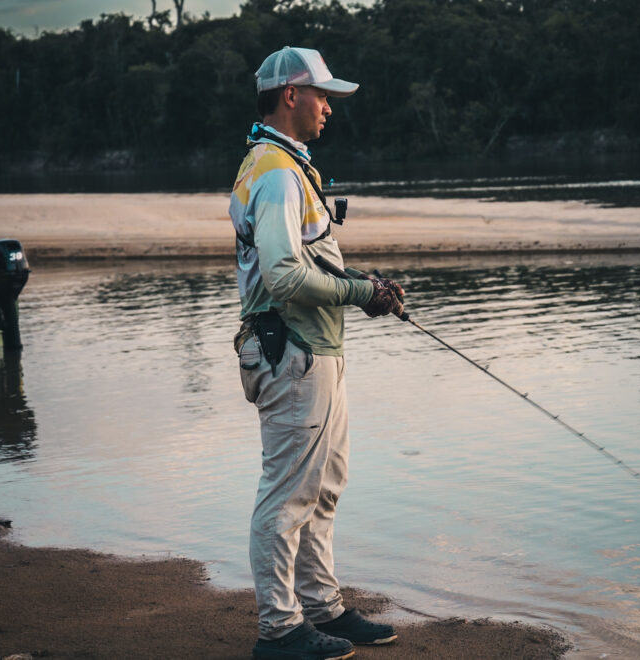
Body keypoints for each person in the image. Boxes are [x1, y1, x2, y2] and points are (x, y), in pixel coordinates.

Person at [229, 46, 404, 660]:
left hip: (313, 351)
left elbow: (308, 260)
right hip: (292, 353)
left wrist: (365, 282)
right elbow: (281, 275)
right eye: (322, 94)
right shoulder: (276, 170)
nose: (329, 106)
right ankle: (278, 629)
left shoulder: (287, 165)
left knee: (324, 485)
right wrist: (362, 292)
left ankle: (322, 606)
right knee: (287, 495)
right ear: (290, 96)